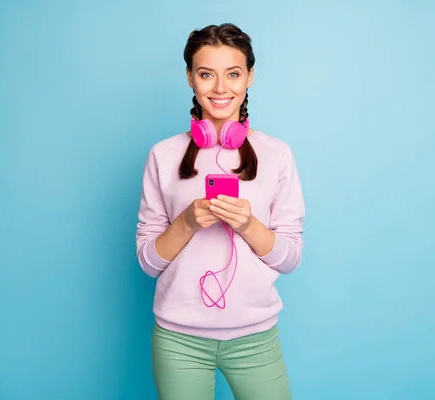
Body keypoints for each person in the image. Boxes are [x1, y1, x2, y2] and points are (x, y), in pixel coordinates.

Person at [135, 22, 305, 400]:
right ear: (189, 79)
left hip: (255, 338)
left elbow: (290, 257)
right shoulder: (163, 156)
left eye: (233, 74)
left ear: (250, 77)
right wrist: (188, 222)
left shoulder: (277, 155)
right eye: (206, 74)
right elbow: (148, 263)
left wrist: (247, 224)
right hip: (178, 340)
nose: (220, 88)